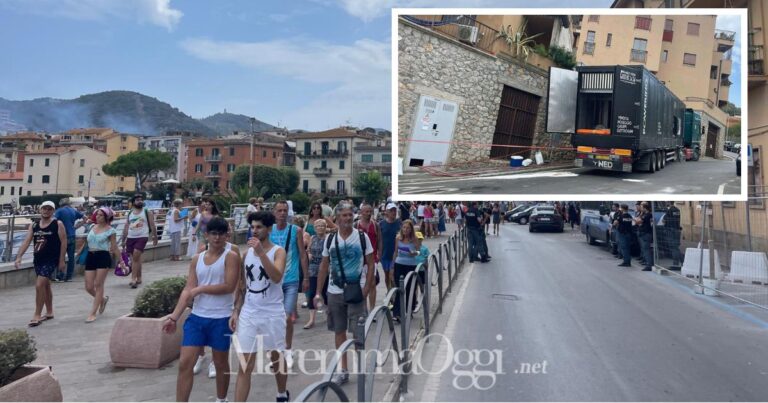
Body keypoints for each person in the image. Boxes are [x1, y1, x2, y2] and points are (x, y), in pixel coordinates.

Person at [162, 217, 240, 403]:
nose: (217, 238)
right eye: (214, 234)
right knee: (185, 363)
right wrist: (174, 317)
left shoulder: (231, 256)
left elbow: (229, 286)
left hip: (221, 318)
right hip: (197, 317)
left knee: (221, 363)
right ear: (206, 235)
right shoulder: (197, 259)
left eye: (221, 234)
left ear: (226, 235)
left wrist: (201, 289)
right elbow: (188, 289)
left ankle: (221, 399)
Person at [231, 211, 290, 402]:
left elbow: (276, 276)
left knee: (276, 359)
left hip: (272, 314)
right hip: (249, 314)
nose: (254, 231)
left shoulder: (278, 252)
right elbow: (242, 286)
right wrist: (235, 310)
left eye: (259, 227)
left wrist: (262, 253)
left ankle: (281, 393)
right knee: (245, 365)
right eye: (252, 227)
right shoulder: (246, 254)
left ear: (269, 229)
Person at [315, 202, 375, 386]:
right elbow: (324, 265)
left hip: (357, 291)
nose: (348, 218)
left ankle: (361, 368)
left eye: (350, 215)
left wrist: (366, 290)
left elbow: (371, 264)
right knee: (339, 332)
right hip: (334, 292)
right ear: (337, 217)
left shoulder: (362, 238)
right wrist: (318, 291)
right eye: (344, 215)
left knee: (358, 333)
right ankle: (343, 369)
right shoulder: (330, 240)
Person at [269, 200, 309, 370]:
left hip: (291, 280)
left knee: (286, 318)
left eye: (285, 210)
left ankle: (287, 349)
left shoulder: (296, 230)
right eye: (279, 210)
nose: (283, 213)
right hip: (273, 281)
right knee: (273, 319)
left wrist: (306, 277)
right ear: (274, 212)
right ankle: (276, 352)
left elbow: (302, 254)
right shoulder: (268, 230)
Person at [15, 201, 67, 327]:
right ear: (40, 209)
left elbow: (64, 241)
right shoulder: (34, 226)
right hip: (38, 259)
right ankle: (49, 312)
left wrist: (61, 260)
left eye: (49, 209)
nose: (46, 211)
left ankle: (37, 315)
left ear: (53, 211)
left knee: (39, 285)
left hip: (51, 259)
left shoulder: (57, 224)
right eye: (44, 208)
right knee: (46, 285)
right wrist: (19, 257)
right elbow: (27, 241)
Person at [79, 207, 124, 322]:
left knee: (99, 284)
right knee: (89, 287)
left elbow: (114, 247)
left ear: (107, 217)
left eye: (101, 215)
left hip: (103, 256)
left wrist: (121, 261)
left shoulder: (111, 230)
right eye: (97, 214)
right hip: (91, 256)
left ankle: (92, 313)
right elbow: (86, 242)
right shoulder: (91, 227)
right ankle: (102, 300)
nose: (97, 217)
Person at [121, 194, 157, 288]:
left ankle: (133, 280)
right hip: (130, 237)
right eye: (137, 200)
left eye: (141, 199)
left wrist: (155, 236)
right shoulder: (130, 213)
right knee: (135, 259)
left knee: (136, 255)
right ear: (133, 202)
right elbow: (126, 226)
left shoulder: (147, 212)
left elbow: (152, 225)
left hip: (142, 236)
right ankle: (139, 277)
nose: (140, 201)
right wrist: (123, 240)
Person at [392, 220, 421, 322]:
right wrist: (392, 266)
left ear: (411, 229)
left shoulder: (414, 239)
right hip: (399, 264)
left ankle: (409, 309)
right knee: (399, 288)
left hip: (410, 265)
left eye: (407, 228)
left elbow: (418, 251)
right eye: (404, 228)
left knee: (409, 288)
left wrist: (414, 253)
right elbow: (395, 252)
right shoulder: (398, 238)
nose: (405, 230)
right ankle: (397, 312)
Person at [304, 219, 329, 329]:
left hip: (325, 268)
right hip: (313, 268)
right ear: (315, 228)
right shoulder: (312, 238)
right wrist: (308, 254)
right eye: (318, 226)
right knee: (312, 292)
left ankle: (329, 315)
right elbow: (308, 250)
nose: (320, 228)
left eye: (322, 226)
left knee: (326, 292)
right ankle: (311, 319)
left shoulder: (328, 238)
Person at [357, 203, 381, 310]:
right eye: (366, 212)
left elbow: (380, 240)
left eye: (370, 211)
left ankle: (372, 308)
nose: (368, 214)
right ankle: (363, 308)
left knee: (372, 283)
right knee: (362, 284)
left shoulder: (375, 225)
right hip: (360, 259)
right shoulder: (356, 225)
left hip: (372, 258)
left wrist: (379, 253)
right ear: (361, 213)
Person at [53, 198, 84, 282]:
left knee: (61, 255)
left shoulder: (59, 211)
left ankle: (60, 275)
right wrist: (76, 227)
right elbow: (85, 218)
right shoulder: (73, 210)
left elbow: (53, 221)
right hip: (72, 235)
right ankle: (69, 276)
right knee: (71, 257)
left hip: (62, 237)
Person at [379, 203, 401, 291]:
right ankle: (389, 291)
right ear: (386, 212)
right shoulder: (381, 224)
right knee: (387, 275)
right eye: (391, 210)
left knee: (394, 274)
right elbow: (379, 239)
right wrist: (379, 252)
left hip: (397, 254)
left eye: (394, 210)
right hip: (385, 253)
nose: (393, 212)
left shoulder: (399, 223)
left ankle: (395, 292)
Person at [635, 202, 654, 271]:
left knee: (646, 250)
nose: (640, 208)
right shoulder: (644, 214)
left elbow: (638, 221)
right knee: (645, 249)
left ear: (645, 208)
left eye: (642, 207)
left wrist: (636, 220)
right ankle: (648, 263)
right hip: (644, 233)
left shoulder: (647, 215)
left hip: (645, 234)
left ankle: (649, 265)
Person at [665, 202, 684, 268]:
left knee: (673, 248)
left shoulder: (669, 210)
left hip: (671, 231)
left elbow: (665, 220)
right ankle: (678, 262)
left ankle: (679, 262)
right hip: (677, 230)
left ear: (669, 202)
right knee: (675, 247)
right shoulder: (677, 210)